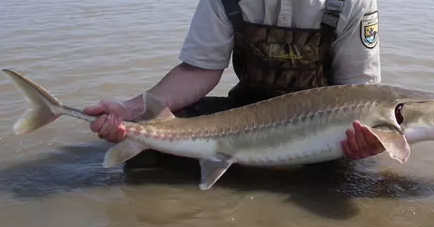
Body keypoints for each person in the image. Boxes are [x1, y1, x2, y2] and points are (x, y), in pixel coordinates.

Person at [83, 0, 385, 169]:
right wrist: (130, 109)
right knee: (145, 151)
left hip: (323, 128)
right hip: (248, 110)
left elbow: (360, 92)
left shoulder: (351, 2)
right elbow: (199, 69)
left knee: (351, 184)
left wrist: (369, 139)